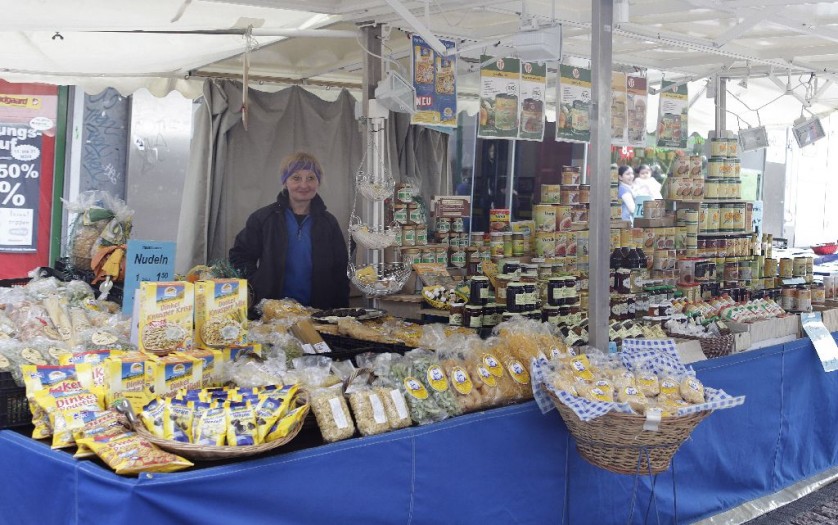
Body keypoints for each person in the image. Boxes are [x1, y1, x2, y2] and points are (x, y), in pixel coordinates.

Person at [229, 152, 349, 312]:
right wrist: (257, 283)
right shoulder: (263, 218)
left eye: (311, 178)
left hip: (319, 313)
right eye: (296, 178)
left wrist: (340, 312)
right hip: (272, 314)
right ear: (285, 181)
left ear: (318, 182)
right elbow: (239, 256)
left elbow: (340, 270)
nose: (304, 185)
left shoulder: (328, 223)